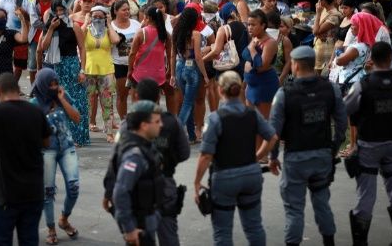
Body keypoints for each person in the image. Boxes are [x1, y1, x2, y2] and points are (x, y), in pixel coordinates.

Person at [268, 46, 348, 246]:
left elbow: (274, 131)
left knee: (294, 208)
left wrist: (272, 156)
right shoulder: (331, 88)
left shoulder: (284, 93)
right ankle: (329, 241)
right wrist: (334, 148)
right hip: (322, 155)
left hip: (296, 157)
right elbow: (341, 122)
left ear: (295, 65)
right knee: (322, 203)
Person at [194, 71, 278, 246]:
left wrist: (196, 182)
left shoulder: (216, 119)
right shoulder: (252, 114)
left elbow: (206, 155)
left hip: (225, 177)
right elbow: (272, 138)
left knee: (222, 231)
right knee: (254, 226)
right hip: (251, 175)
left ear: (220, 90)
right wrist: (257, 156)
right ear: (240, 89)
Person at [104, 79, 190, 246]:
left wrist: (109, 190)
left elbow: (116, 158)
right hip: (163, 185)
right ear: (159, 96)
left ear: (136, 96)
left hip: (138, 189)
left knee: (141, 234)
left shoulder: (128, 124)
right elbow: (184, 153)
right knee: (167, 235)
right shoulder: (172, 122)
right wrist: (167, 161)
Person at [344, 42, 392, 246]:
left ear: (371, 58)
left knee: (367, 192)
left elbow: (347, 108)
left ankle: (361, 241)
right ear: (390, 57)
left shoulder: (363, 85)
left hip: (369, 145)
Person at [0, 73, 51, 246]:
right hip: (33, 191)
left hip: (6, 193)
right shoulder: (36, 111)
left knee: (2, 240)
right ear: (19, 90)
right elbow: (46, 142)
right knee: (29, 239)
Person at [30, 69, 81, 245]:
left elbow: (77, 118)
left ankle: (64, 219)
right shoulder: (34, 104)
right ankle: (51, 228)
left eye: (55, 83)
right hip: (47, 152)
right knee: (48, 192)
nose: (53, 87)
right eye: (50, 84)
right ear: (42, 85)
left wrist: (61, 99)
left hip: (67, 147)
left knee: (74, 187)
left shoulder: (61, 95)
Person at [112, 100, 164, 246]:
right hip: (139, 226)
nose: (161, 125)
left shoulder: (147, 146)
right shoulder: (134, 155)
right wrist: (129, 229)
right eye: (157, 121)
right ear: (144, 125)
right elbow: (120, 193)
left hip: (148, 220)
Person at [40, 0, 89, 146]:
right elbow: (43, 47)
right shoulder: (50, 26)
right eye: (57, 10)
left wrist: (82, 69)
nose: (60, 13)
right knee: (61, 101)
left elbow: (82, 48)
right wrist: (51, 29)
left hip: (72, 65)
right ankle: (65, 137)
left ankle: (78, 137)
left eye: (62, 10)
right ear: (53, 12)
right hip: (58, 67)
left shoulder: (73, 26)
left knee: (77, 100)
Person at [78, 5, 120, 143]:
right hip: (89, 70)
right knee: (87, 102)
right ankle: (86, 131)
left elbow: (116, 40)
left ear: (105, 17)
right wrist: (86, 22)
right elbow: (78, 37)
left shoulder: (108, 30)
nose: (97, 19)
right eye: (94, 16)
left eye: (100, 16)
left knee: (107, 103)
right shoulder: (87, 30)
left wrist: (109, 23)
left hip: (106, 70)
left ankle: (109, 133)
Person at [170, 7, 209, 143]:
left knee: (188, 102)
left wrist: (173, 75)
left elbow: (172, 55)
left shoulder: (176, 32)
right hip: (192, 68)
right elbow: (198, 57)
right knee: (187, 102)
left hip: (180, 66)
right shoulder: (195, 34)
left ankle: (191, 136)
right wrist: (205, 75)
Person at [0, 7, 29, 104]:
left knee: (6, 104)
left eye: (3, 17)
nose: (0, 19)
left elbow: (23, 39)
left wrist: (22, 19)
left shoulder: (11, 34)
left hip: (5, 75)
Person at [128, 6, 171, 99]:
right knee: (154, 100)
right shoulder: (165, 34)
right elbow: (170, 55)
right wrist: (170, 70)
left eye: (144, 17)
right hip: (158, 74)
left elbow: (132, 53)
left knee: (138, 101)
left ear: (148, 18)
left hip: (140, 73)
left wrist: (130, 70)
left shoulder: (141, 33)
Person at [243, 10, 279, 116]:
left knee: (264, 122)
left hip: (264, 85)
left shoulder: (270, 42)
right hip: (251, 85)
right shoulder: (255, 37)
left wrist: (252, 49)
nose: (250, 27)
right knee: (251, 120)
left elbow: (261, 67)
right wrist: (246, 84)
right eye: (248, 24)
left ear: (263, 25)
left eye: (253, 25)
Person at [111, 0, 142, 120]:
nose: (127, 12)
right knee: (122, 95)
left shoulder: (136, 24)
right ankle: (124, 121)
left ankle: (136, 120)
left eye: (128, 9)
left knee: (136, 94)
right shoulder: (111, 26)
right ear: (116, 11)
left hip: (136, 64)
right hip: (119, 64)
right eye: (124, 10)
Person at [203, 2, 249, 81]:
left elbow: (216, 52)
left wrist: (201, 60)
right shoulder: (244, 26)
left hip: (227, 68)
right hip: (242, 66)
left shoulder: (223, 29)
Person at [313, 0, 342, 74]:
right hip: (320, 45)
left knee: (324, 74)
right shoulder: (325, 10)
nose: (318, 3)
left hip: (327, 48)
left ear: (324, 1)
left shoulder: (333, 15)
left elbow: (315, 31)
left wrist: (318, 13)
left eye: (319, 0)